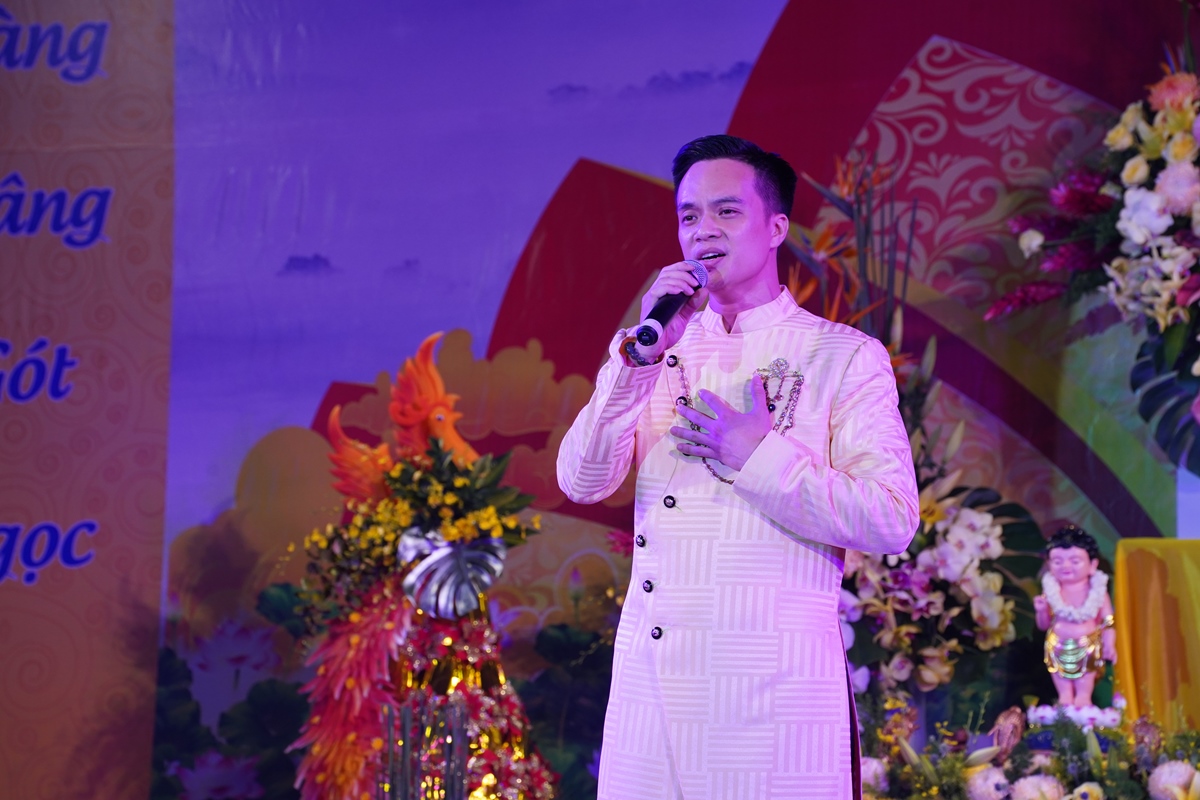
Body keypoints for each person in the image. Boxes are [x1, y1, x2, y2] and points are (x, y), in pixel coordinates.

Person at [556, 134, 919, 800]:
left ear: (776, 227)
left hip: (769, 704)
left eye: (726, 211)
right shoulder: (653, 348)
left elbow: (891, 517)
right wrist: (637, 363)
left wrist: (758, 457)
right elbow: (581, 481)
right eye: (689, 215)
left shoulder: (841, 355)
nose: (703, 230)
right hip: (650, 696)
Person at [1033, 524, 1116, 709]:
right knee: (1064, 696)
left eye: (1075, 561)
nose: (1066, 566)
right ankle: (1064, 703)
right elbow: (1043, 625)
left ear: (1092, 565)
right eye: (1058, 561)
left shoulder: (1098, 592)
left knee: (1083, 695)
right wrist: (1041, 610)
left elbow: (1108, 621)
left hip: (1087, 645)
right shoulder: (1052, 591)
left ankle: (1084, 702)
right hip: (1057, 645)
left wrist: (1109, 643)